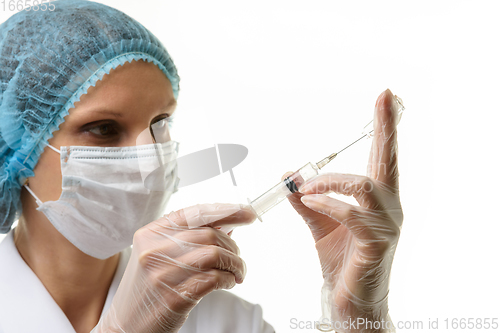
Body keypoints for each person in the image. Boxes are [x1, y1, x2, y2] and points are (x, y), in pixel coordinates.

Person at [0, 1, 403, 333]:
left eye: (161, 124)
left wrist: (359, 320)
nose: (150, 163)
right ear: (17, 143)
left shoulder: (228, 323)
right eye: (104, 128)